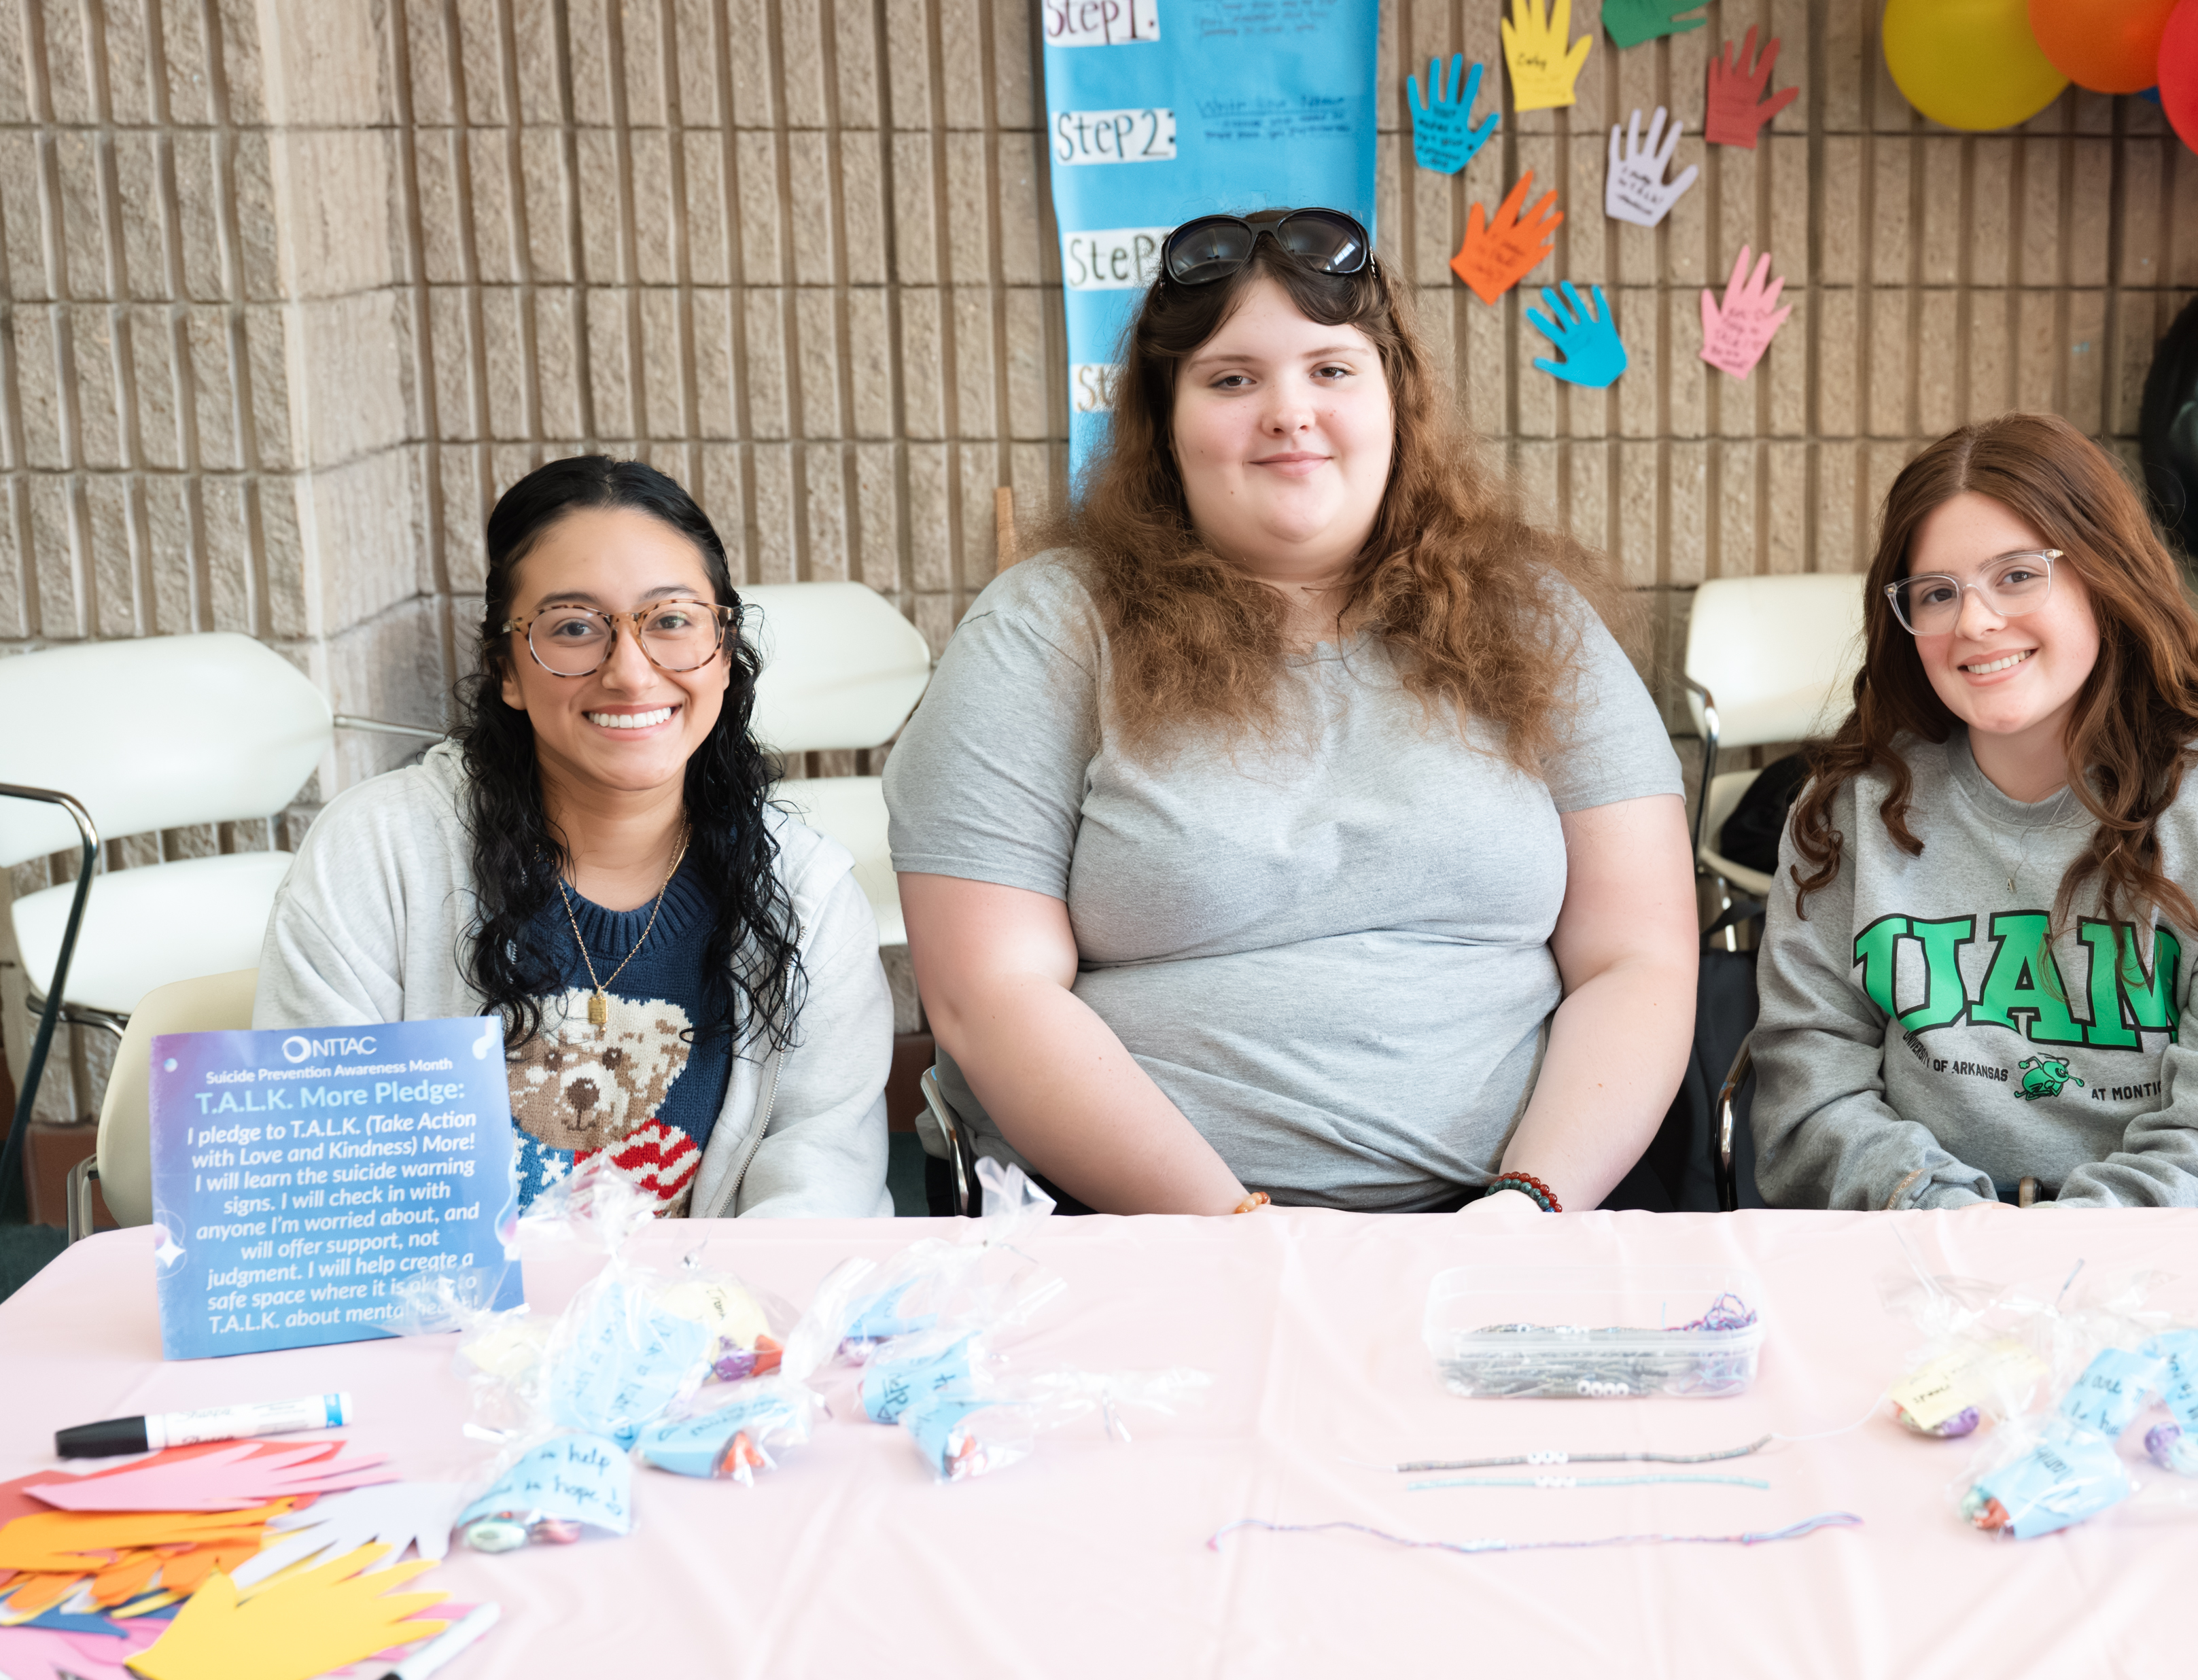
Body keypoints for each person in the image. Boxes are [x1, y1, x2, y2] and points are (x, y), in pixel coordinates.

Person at [885, 208, 1694, 1214]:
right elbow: (988, 995)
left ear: (1394, 399)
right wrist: (1242, 1234)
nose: (1288, 411)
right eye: (1232, 378)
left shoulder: (1532, 616)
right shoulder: (1049, 626)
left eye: (1331, 370)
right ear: (1164, 417)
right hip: (1147, 1241)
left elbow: (1639, 956)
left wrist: (1526, 1207)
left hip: (1515, 1224)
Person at [259, 457, 895, 1218]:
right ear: (506, 669)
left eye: (670, 621)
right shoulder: (376, 856)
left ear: (722, 652)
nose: (630, 672)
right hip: (444, 1325)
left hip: (714, 1323)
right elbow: (327, 1173)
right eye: (572, 628)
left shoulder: (806, 894)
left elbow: (820, 1188)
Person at [1750, 413, 2198, 1210]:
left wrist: (2061, 1249)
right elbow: (1808, 1092)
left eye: (2016, 575)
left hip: (2158, 1268)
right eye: (1937, 593)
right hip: (1914, 1256)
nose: (1973, 622)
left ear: (2103, 577)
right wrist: (1947, 1221)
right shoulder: (1846, 812)